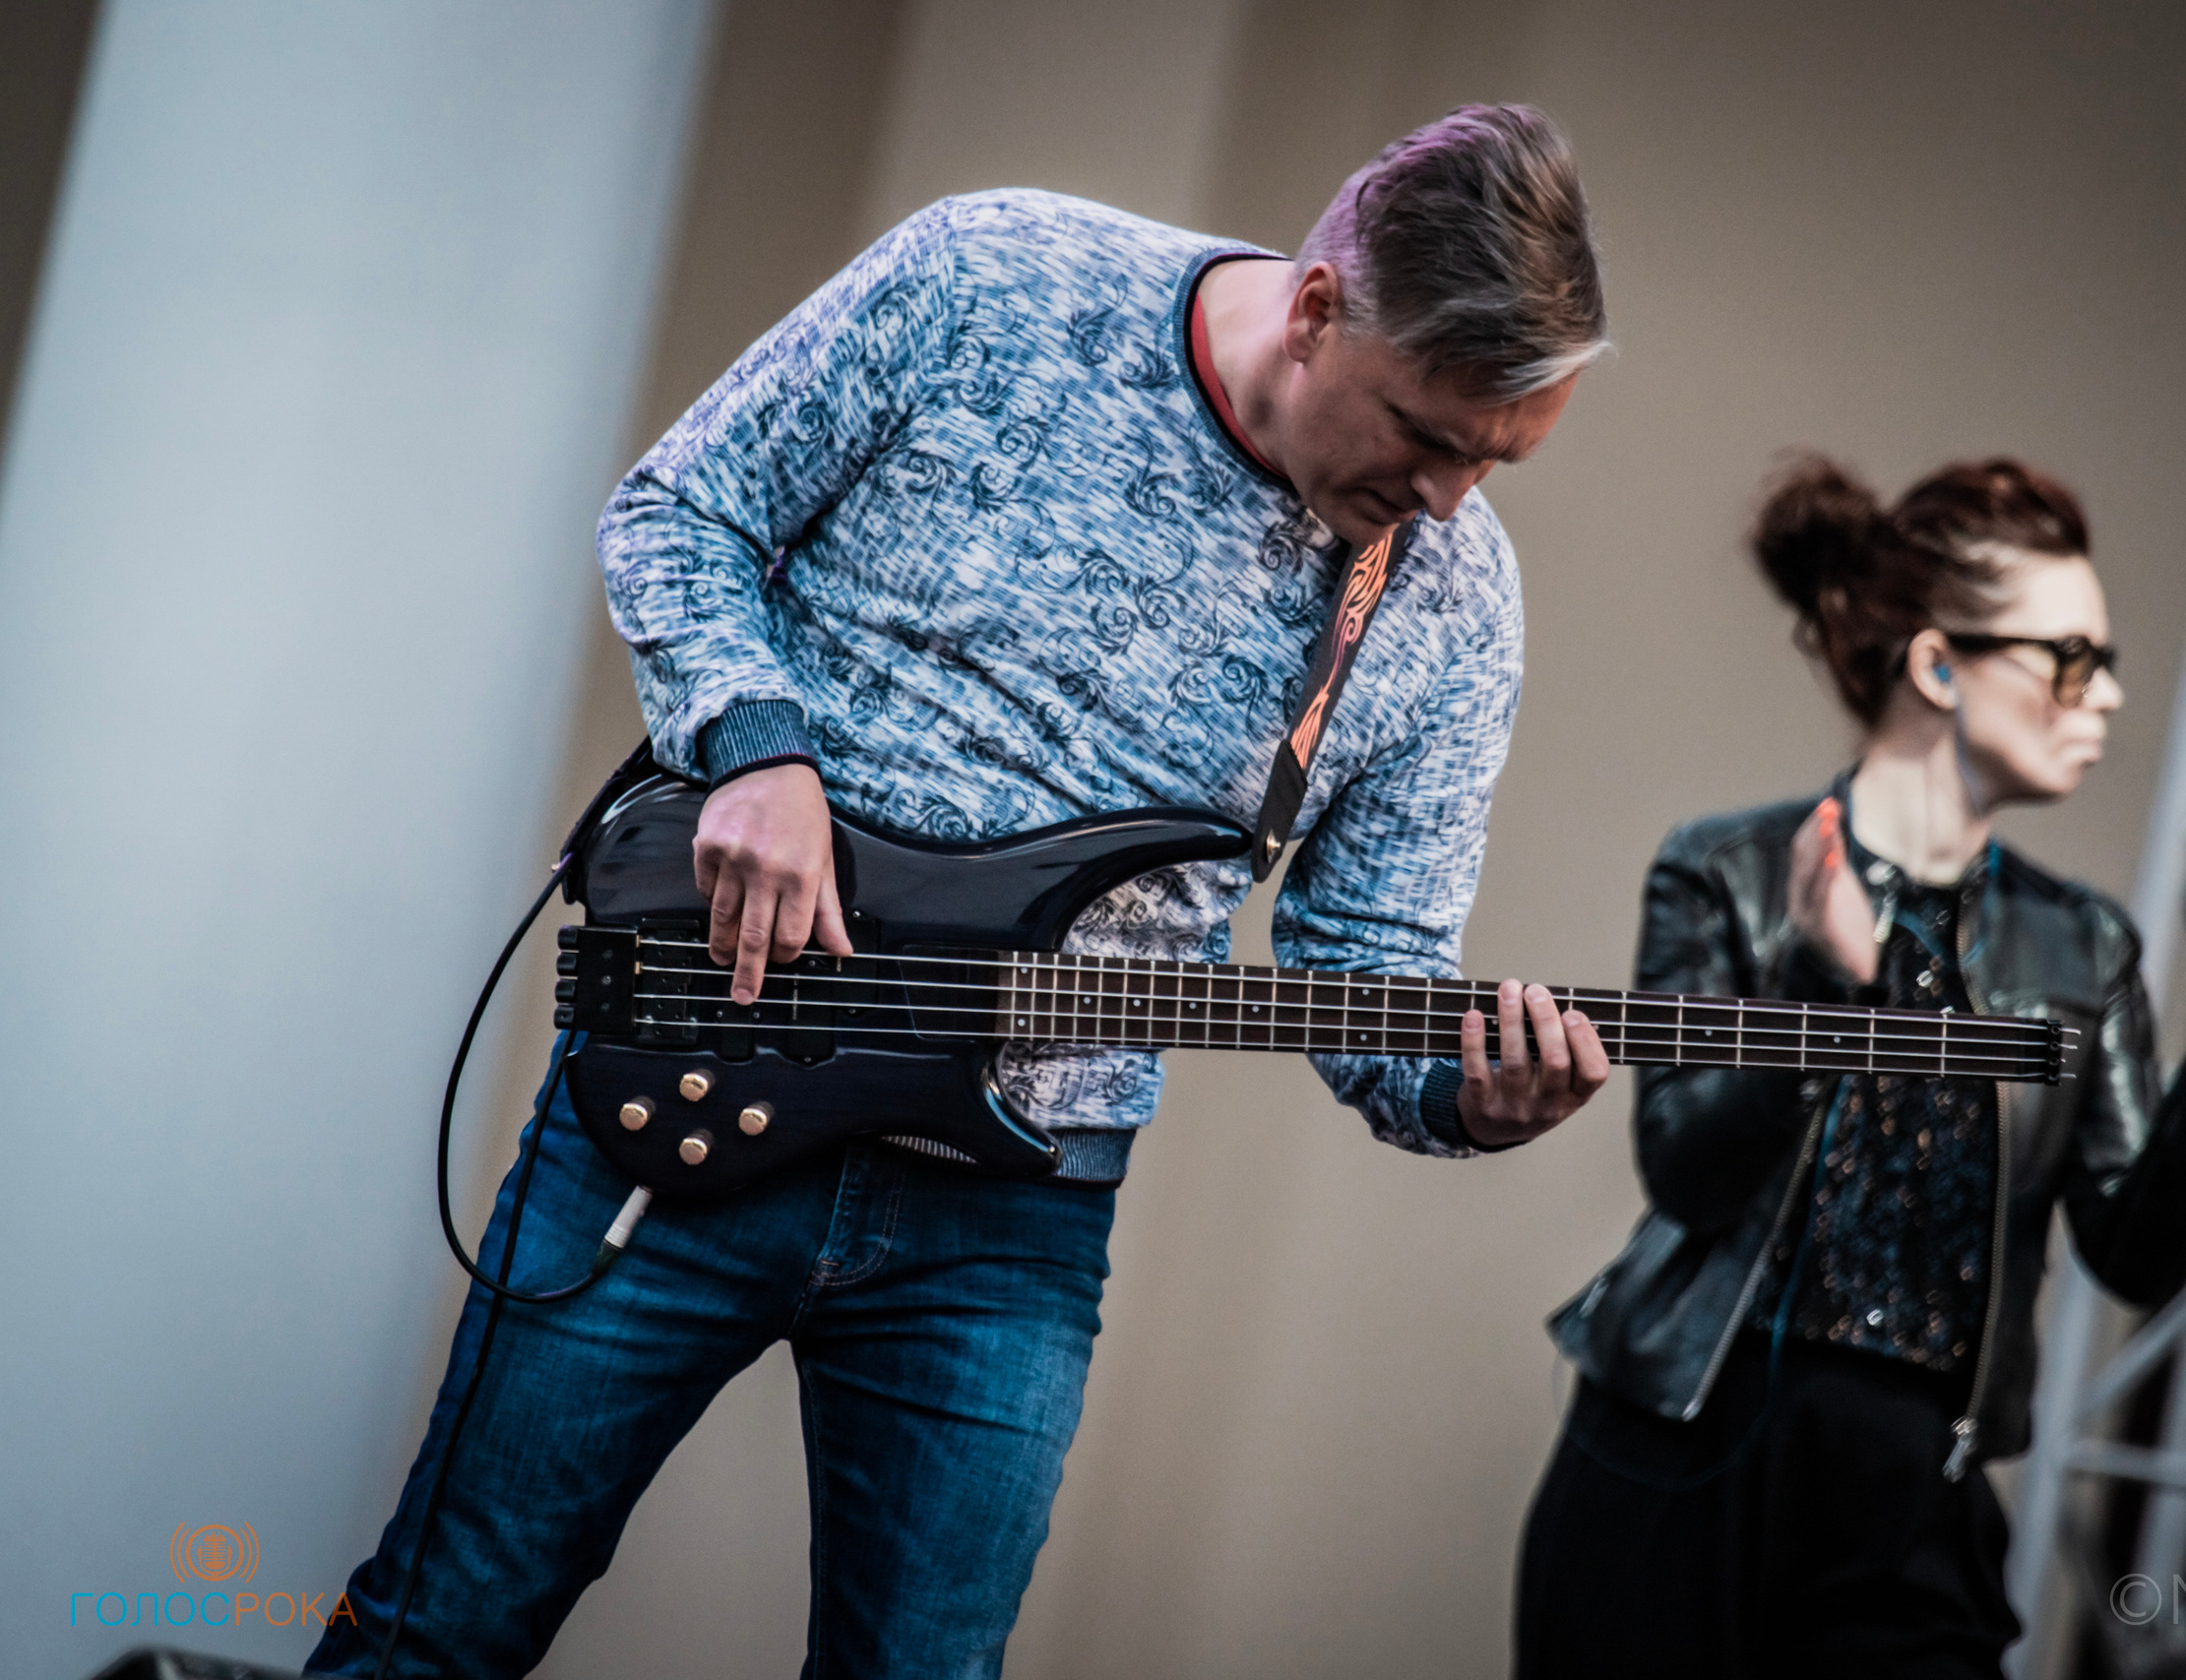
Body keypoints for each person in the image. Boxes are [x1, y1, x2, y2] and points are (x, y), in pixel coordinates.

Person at [309, 105, 1613, 1679]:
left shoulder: (1453, 603)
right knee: (440, 1627)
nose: (1453, 499)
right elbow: (679, 510)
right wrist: (757, 750)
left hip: (1010, 1217)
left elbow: (1368, 959)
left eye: (1496, 459)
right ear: (1322, 306)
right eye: (1429, 433)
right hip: (696, 1092)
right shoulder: (995, 278)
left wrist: (1463, 1098)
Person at [1516, 458, 2186, 1677]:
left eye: (2107, 663)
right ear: (1937, 666)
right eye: (2070, 660)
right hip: (1679, 1456)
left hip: (1915, 1492)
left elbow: (2131, 1252)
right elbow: (1688, 1172)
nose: (2106, 697)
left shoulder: (2083, 947)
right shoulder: (1730, 870)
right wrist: (1820, 983)